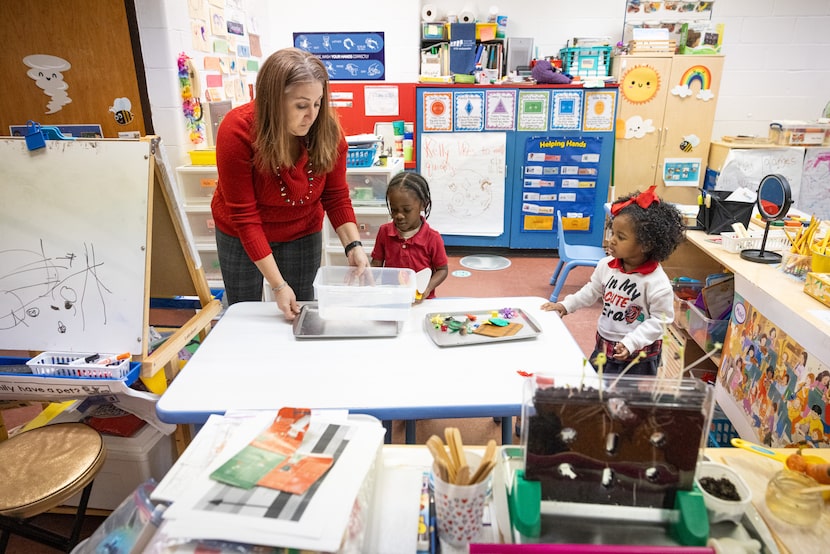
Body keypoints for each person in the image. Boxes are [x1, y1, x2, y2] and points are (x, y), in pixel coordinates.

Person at [211, 48, 369, 320]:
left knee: (298, 312)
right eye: (301, 105)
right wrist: (278, 285)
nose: (312, 115)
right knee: (244, 313)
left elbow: (336, 197)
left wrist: (353, 246)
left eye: (318, 103)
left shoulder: (327, 132)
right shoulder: (236, 130)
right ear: (274, 100)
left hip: (301, 231)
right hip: (240, 234)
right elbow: (245, 217)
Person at [540, 186, 685, 375]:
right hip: (604, 344)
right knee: (596, 391)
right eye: (613, 233)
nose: (612, 240)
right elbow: (592, 290)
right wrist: (566, 305)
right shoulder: (606, 265)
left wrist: (631, 342)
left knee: (630, 402)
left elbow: (661, 321)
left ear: (647, 244)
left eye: (621, 237)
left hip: (638, 356)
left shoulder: (656, 282)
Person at [371, 171, 448, 302]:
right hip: (392, 298)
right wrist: (369, 281)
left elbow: (442, 270)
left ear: (423, 204)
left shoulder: (433, 238)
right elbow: (376, 263)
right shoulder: (384, 232)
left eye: (406, 210)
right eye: (394, 210)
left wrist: (427, 288)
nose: (399, 216)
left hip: (421, 301)